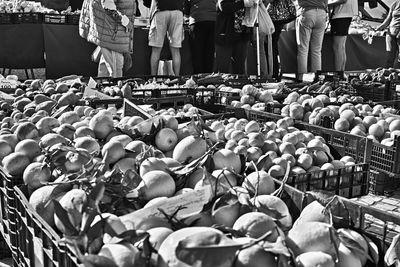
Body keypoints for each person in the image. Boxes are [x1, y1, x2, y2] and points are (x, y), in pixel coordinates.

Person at [79, 0, 136, 78]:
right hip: (112, 32)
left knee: (105, 68)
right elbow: (108, 5)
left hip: (110, 30)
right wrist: (125, 21)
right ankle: (115, 88)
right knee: (116, 68)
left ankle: (102, 88)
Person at [215, 0, 258, 74]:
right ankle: (222, 85)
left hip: (242, 35)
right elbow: (224, 6)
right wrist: (243, 3)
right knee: (223, 68)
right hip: (226, 34)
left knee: (239, 68)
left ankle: (239, 84)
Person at [143, 0, 184, 76]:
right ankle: (177, 78)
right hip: (177, 10)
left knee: (156, 49)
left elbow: (146, 2)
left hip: (160, 8)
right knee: (175, 49)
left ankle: (153, 79)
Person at [295, 0, 328, 82]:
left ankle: (300, 78)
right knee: (317, 50)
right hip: (321, 12)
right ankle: (317, 77)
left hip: (307, 11)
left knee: (303, 48)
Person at [184, 0, 217, 74]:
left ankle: (198, 78)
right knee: (209, 53)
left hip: (197, 19)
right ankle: (208, 79)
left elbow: (186, 8)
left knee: (197, 52)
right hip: (212, 19)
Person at [266, 0, 297, 80]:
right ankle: (275, 72)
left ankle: (274, 73)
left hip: (273, 18)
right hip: (279, 18)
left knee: (271, 47)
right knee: (273, 47)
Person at [329, 0, 358, 71]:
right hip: (346, 15)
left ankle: (338, 73)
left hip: (340, 16)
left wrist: (327, 4)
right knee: (341, 47)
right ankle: (341, 72)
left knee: (338, 47)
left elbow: (343, 0)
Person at [375, 0, 400, 68]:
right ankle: (387, 73)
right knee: (390, 56)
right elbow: (388, 19)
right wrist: (380, 27)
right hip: (390, 34)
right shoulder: (395, 4)